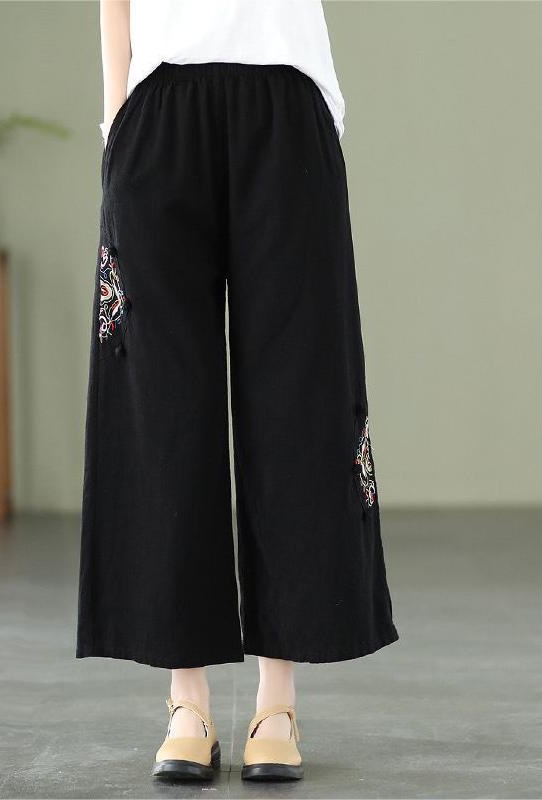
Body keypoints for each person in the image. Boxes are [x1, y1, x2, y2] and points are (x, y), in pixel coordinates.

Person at [77, 0, 398, 782]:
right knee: (160, 407)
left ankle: (275, 701)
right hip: (158, 111)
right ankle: (185, 700)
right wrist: (117, 120)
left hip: (286, 104)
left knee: (300, 402)